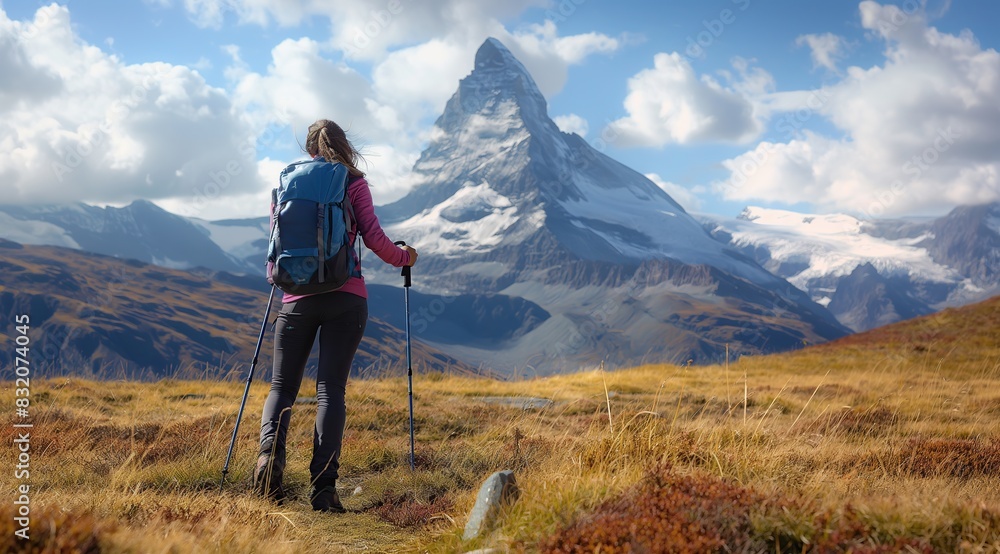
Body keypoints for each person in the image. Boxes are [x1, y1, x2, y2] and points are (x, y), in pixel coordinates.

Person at [253, 119, 417, 512]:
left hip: (295, 298)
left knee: (281, 388)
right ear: (345, 146)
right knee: (330, 391)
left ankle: (267, 462)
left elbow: (275, 242)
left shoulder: (288, 182)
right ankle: (323, 491)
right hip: (346, 297)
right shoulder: (353, 182)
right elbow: (375, 238)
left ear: (309, 148)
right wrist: (405, 257)